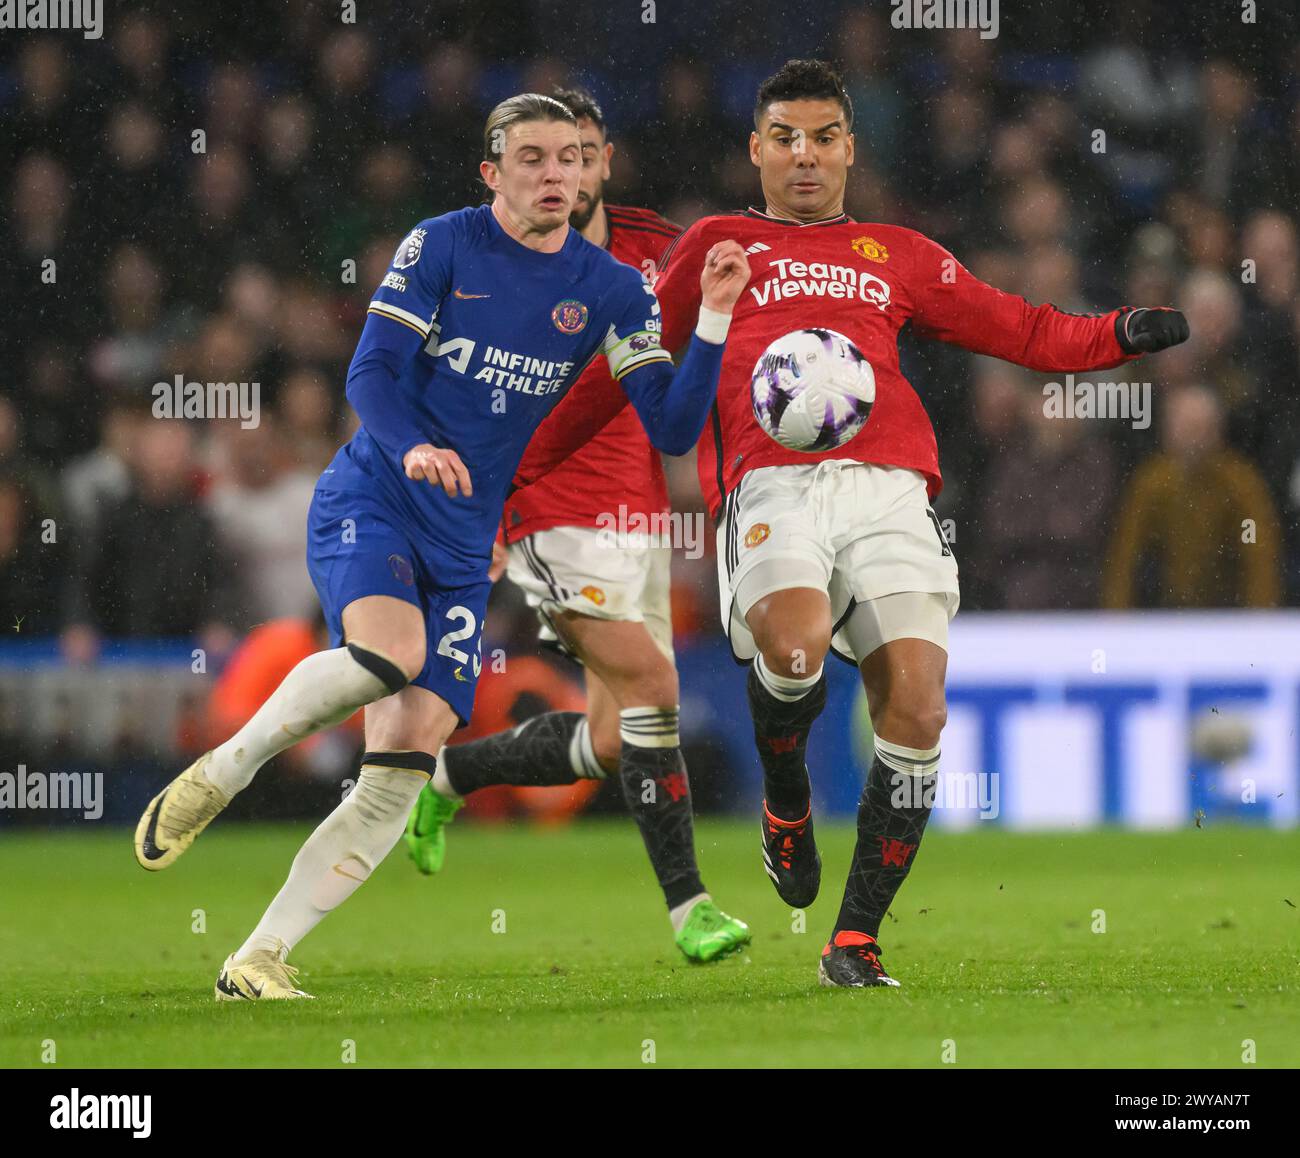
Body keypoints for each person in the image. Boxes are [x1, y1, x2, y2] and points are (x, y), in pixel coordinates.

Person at [517, 60, 1189, 988]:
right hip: (771, 485)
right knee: (790, 652)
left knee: (916, 708)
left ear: (850, 149)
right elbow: (617, 371)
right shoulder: (714, 245)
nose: (805, 156)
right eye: (785, 138)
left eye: (824, 137)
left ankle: (855, 941)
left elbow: (1022, 329)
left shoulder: (898, 253)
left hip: (888, 488)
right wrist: (524, 462)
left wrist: (1117, 335)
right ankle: (786, 801)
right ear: (756, 149)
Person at [131, 92, 750, 1000]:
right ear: (491, 174)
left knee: (408, 749)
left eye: (568, 160)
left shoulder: (614, 290)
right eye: (530, 159)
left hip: (465, 540)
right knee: (391, 655)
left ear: (589, 172)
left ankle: (256, 958)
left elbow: (670, 426)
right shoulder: (443, 244)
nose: (554, 175)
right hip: (378, 492)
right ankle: (225, 770)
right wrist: (413, 444)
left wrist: (714, 323)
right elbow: (370, 370)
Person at [403, 87, 750, 964]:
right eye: (550, 156)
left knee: (609, 737)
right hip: (543, 508)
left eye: (584, 153)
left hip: (638, 513)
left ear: (603, 161)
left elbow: (702, 362)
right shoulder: (491, 261)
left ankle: (450, 774)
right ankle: (691, 908)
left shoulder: (656, 253)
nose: (569, 170)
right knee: (653, 692)